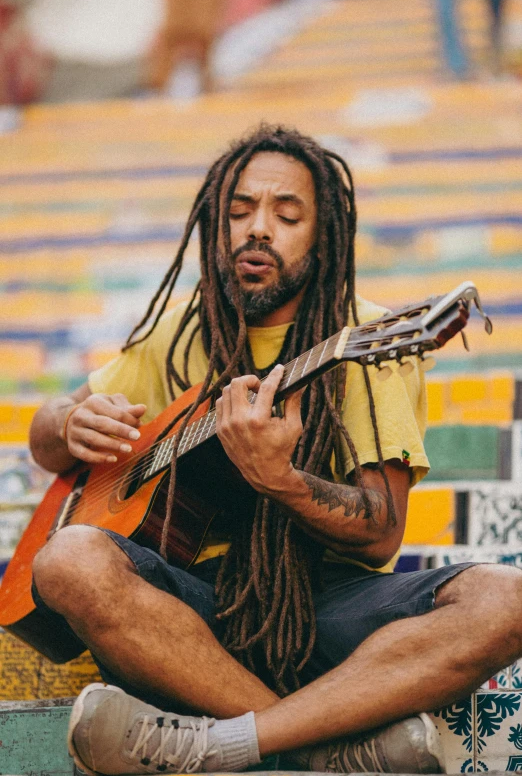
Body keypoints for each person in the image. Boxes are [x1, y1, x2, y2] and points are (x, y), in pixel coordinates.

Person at [29, 125, 522, 775]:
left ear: (322, 237)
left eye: (286, 215)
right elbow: (43, 437)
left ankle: (225, 743)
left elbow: (381, 534)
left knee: (504, 599)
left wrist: (282, 480)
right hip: (182, 618)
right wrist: (68, 422)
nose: (258, 229)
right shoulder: (182, 330)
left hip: (326, 606)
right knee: (65, 558)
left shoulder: (365, 337)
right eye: (239, 212)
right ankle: (322, 749)